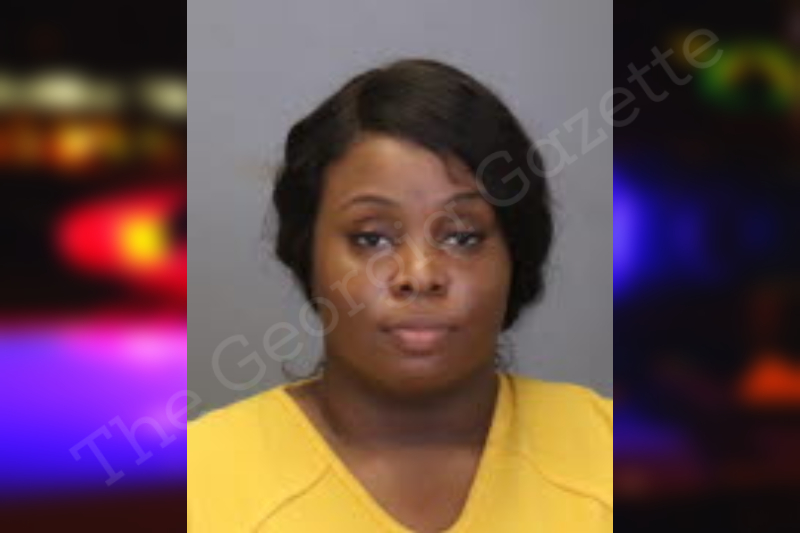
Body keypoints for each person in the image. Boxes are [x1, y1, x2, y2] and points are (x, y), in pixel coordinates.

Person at [188, 59, 612, 532]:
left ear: (517, 254)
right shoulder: (196, 483)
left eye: (462, 237)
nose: (420, 275)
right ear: (306, 254)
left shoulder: (613, 456)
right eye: (372, 238)